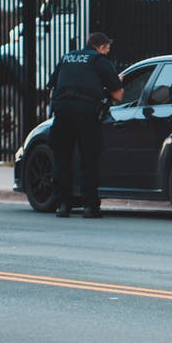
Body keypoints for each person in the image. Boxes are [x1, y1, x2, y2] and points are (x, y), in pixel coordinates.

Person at [46, 32, 123, 218]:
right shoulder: (99, 61)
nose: (108, 51)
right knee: (88, 158)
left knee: (62, 158)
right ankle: (89, 206)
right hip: (86, 113)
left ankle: (63, 205)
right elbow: (118, 95)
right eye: (108, 47)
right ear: (101, 47)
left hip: (62, 111)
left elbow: (51, 88)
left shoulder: (67, 57)